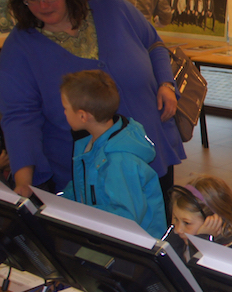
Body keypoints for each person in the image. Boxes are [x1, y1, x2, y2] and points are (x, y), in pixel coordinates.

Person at [0, 0, 184, 199]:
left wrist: (166, 84)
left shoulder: (110, 6)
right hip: (89, 174)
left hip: (149, 150)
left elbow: (154, 44)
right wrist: (23, 181)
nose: (43, 5)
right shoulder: (19, 47)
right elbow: (19, 118)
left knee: (157, 217)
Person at [59, 70, 166, 237]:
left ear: (82, 116)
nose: (64, 112)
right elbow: (81, 188)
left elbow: (127, 218)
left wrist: (83, 216)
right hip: (102, 233)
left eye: (65, 108)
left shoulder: (120, 160)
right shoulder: (87, 143)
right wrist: (59, 204)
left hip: (135, 244)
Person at [169, 175, 232, 259]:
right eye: (176, 219)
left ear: (214, 220)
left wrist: (201, 241)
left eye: (187, 223)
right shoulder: (185, 237)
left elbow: (197, 270)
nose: (178, 230)